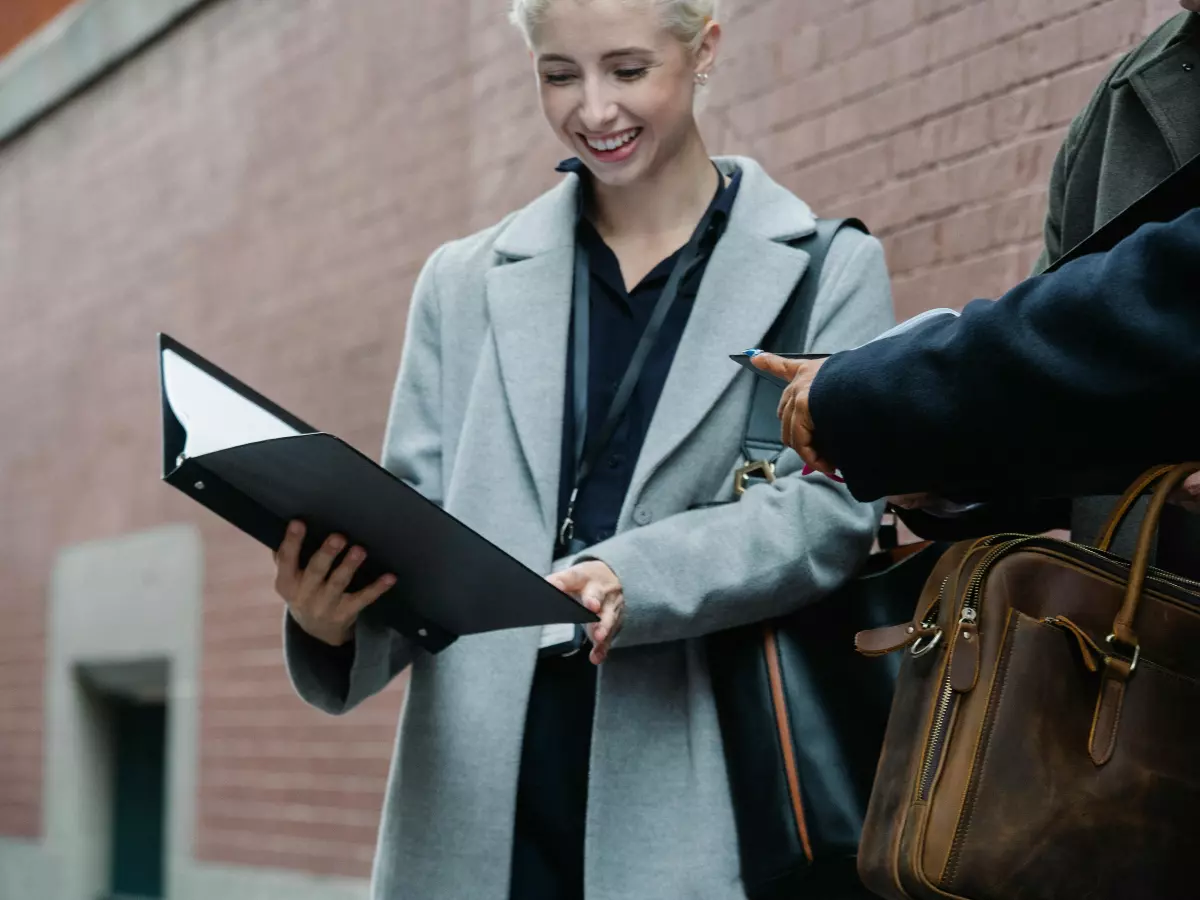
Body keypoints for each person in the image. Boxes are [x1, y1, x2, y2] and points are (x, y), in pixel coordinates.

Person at [272, 1, 895, 897]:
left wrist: (634, 573)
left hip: (694, 776)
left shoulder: (822, 269)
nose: (593, 110)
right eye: (559, 74)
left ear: (704, 49)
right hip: (477, 790)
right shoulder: (463, 283)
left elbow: (828, 511)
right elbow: (417, 525)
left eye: (628, 70)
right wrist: (332, 620)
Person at [748, 206, 1200, 512]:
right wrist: (942, 460)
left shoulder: (836, 255)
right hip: (1125, 615)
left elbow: (1138, 311)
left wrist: (875, 406)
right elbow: (1061, 381)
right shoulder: (1111, 114)